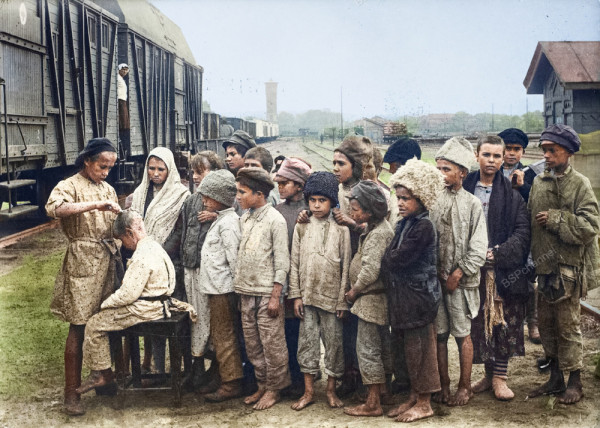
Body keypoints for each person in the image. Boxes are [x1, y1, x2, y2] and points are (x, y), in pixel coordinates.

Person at [75, 210, 196, 395]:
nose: (124, 244)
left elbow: (128, 295)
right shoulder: (155, 246)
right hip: (160, 303)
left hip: (147, 309)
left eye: (122, 239)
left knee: (94, 324)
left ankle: (102, 374)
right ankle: (105, 372)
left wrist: (103, 305)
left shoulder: (141, 255)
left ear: (130, 233)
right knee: (102, 319)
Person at [45, 138, 122, 416]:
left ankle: (104, 377)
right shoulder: (69, 185)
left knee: (106, 322)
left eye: (110, 168)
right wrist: (93, 205)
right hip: (83, 262)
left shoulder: (108, 189)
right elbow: (55, 209)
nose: (106, 172)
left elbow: (115, 225)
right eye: (102, 166)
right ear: (87, 161)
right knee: (79, 326)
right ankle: (71, 393)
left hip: (108, 260)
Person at [528, 124, 600, 405]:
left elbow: (590, 226)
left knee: (568, 326)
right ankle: (555, 378)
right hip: (544, 269)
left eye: (552, 150)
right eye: (544, 150)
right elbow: (529, 221)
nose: (546, 155)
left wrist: (557, 219)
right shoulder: (538, 182)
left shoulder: (580, 184)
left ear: (568, 152)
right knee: (546, 325)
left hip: (569, 270)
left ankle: (575, 382)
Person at [463, 135, 530, 401]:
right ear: (477, 156)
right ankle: (488, 374)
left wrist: (499, 253)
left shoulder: (512, 195)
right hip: (472, 267)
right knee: (480, 322)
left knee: (502, 321)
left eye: (496, 156)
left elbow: (522, 231)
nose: (491, 161)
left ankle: (500, 377)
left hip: (502, 270)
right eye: (486, 155)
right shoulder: (466, 188)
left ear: (503, 159)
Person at [383, 158, 444, 422]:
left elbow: (396, 259)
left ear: (421, 197)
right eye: (398, 197)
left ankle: (424, 402)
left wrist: (388, 258)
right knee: (408, 350)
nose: (400, 203)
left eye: (406, 198)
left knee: (422, 351)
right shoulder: (404, 223)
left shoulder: (424, 226)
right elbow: (391, 257)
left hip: (419, 299)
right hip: (404, 298)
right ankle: (413, 395)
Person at [430, 137, 488, 406]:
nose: (441, 174)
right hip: (435, 282)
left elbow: (478, 247)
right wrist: (436, 274)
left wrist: (458, 273)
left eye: (447, 169)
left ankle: (465, 386)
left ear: (462, 172)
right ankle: (443, 385)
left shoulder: (472, 204)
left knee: (463, 334)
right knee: (440, 335)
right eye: (438, 168)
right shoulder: (432, 200)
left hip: (461, 285)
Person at [288, 171, 351, 411]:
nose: (316, 205)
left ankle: (331, 390)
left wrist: (342, 302)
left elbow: (346, 267)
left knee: (334, 345)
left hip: (332, 299)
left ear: (332, 202)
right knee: (307, 344)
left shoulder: (341, 230)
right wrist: (296, 295)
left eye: (322, 200)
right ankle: (308, 392)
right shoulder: (302, 226)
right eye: (312, 200)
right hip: (308, 296)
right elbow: (294, 262)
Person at [130, 147, 190, 376]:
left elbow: (179, 231)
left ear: (170, 170)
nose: (155, 173)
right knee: (151, 315)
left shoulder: (180, 195)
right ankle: (157, 367)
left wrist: (158, 254)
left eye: (161, 169)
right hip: (145, 263)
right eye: (151, 168)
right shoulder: (140, 193)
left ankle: (179, 369)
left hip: (170, 263)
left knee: (175, 317)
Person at [234, 167, 291, 410]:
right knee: (253, 343)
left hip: (267, 293)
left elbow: (282, 261)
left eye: (242, 192)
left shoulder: (275, 220)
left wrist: (276, 295)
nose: (238, 196)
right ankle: (261, 384)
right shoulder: (245, 218)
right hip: (246, 291)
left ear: (259, 194)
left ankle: (274, 389)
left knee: (272, 343)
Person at [343, 180, 394, 417]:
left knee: (368, 349)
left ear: (370, 210)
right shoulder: (373, 229)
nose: (351, 213)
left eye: (355, 209)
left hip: (370, 299)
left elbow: (371, 270)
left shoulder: (379, 234)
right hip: (373, 299)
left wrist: (354, 291)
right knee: (381, 346)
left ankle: (373, 403)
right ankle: (383, 392)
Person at [197, 170, 245, 402]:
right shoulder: (221, 220)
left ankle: (231, 382)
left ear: (221, 198)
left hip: (224, 290)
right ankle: (222, 375)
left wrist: (237, 290)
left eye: (209, 196)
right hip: (215, 288)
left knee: (224, 336)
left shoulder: (229, 224)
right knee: (218, 336)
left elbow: (235, 261)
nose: (204, 200)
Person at [180, 151, 224, 390]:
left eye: (201, 172)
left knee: (212, 318)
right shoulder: (190, 201)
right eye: (193, 172)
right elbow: (183, 234)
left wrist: (216, 215)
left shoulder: (225, 201)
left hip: (211, 272)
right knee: (195, 317)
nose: (195, 177)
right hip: (191, 268)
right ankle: (197, 368)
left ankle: (216, 369)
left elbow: (234, 222)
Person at [382, 136, 422, 393]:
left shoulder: (418, 202)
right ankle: (403, 379)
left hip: (411, 281)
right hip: (396, 280)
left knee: (413, 335)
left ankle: (414, 383)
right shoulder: (397, 196)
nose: (391, 172)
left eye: (394, 167)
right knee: (397, 330)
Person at [273, 157, 313, 397]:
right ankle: (291, 378)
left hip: (304, 280)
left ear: (299, 185)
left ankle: (304, 379)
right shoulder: (277, 211)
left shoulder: (310, 211)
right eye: (278, 183)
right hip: (284, 279)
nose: (279, 187)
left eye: (284, 183)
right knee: (287, 330)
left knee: (303, 332)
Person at [498, 127, 541, 344]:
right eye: (508, 149)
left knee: (528, 276)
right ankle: (502, 321)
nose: (511, 153)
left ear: (522, 151)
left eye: (517, 149)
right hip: (499, 230)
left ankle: (533, 322)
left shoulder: (530, 174)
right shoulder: (493, 172)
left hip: (523, 231)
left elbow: (537, 202)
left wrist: (523, 187)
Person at [117, 64, 130, 158]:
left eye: (126, 70)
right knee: (123, 122)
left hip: (123, 101)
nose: (124, 71)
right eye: (123, 69)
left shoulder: (121, 79)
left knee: (125, 123)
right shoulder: (117, 78)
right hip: (120, 101)